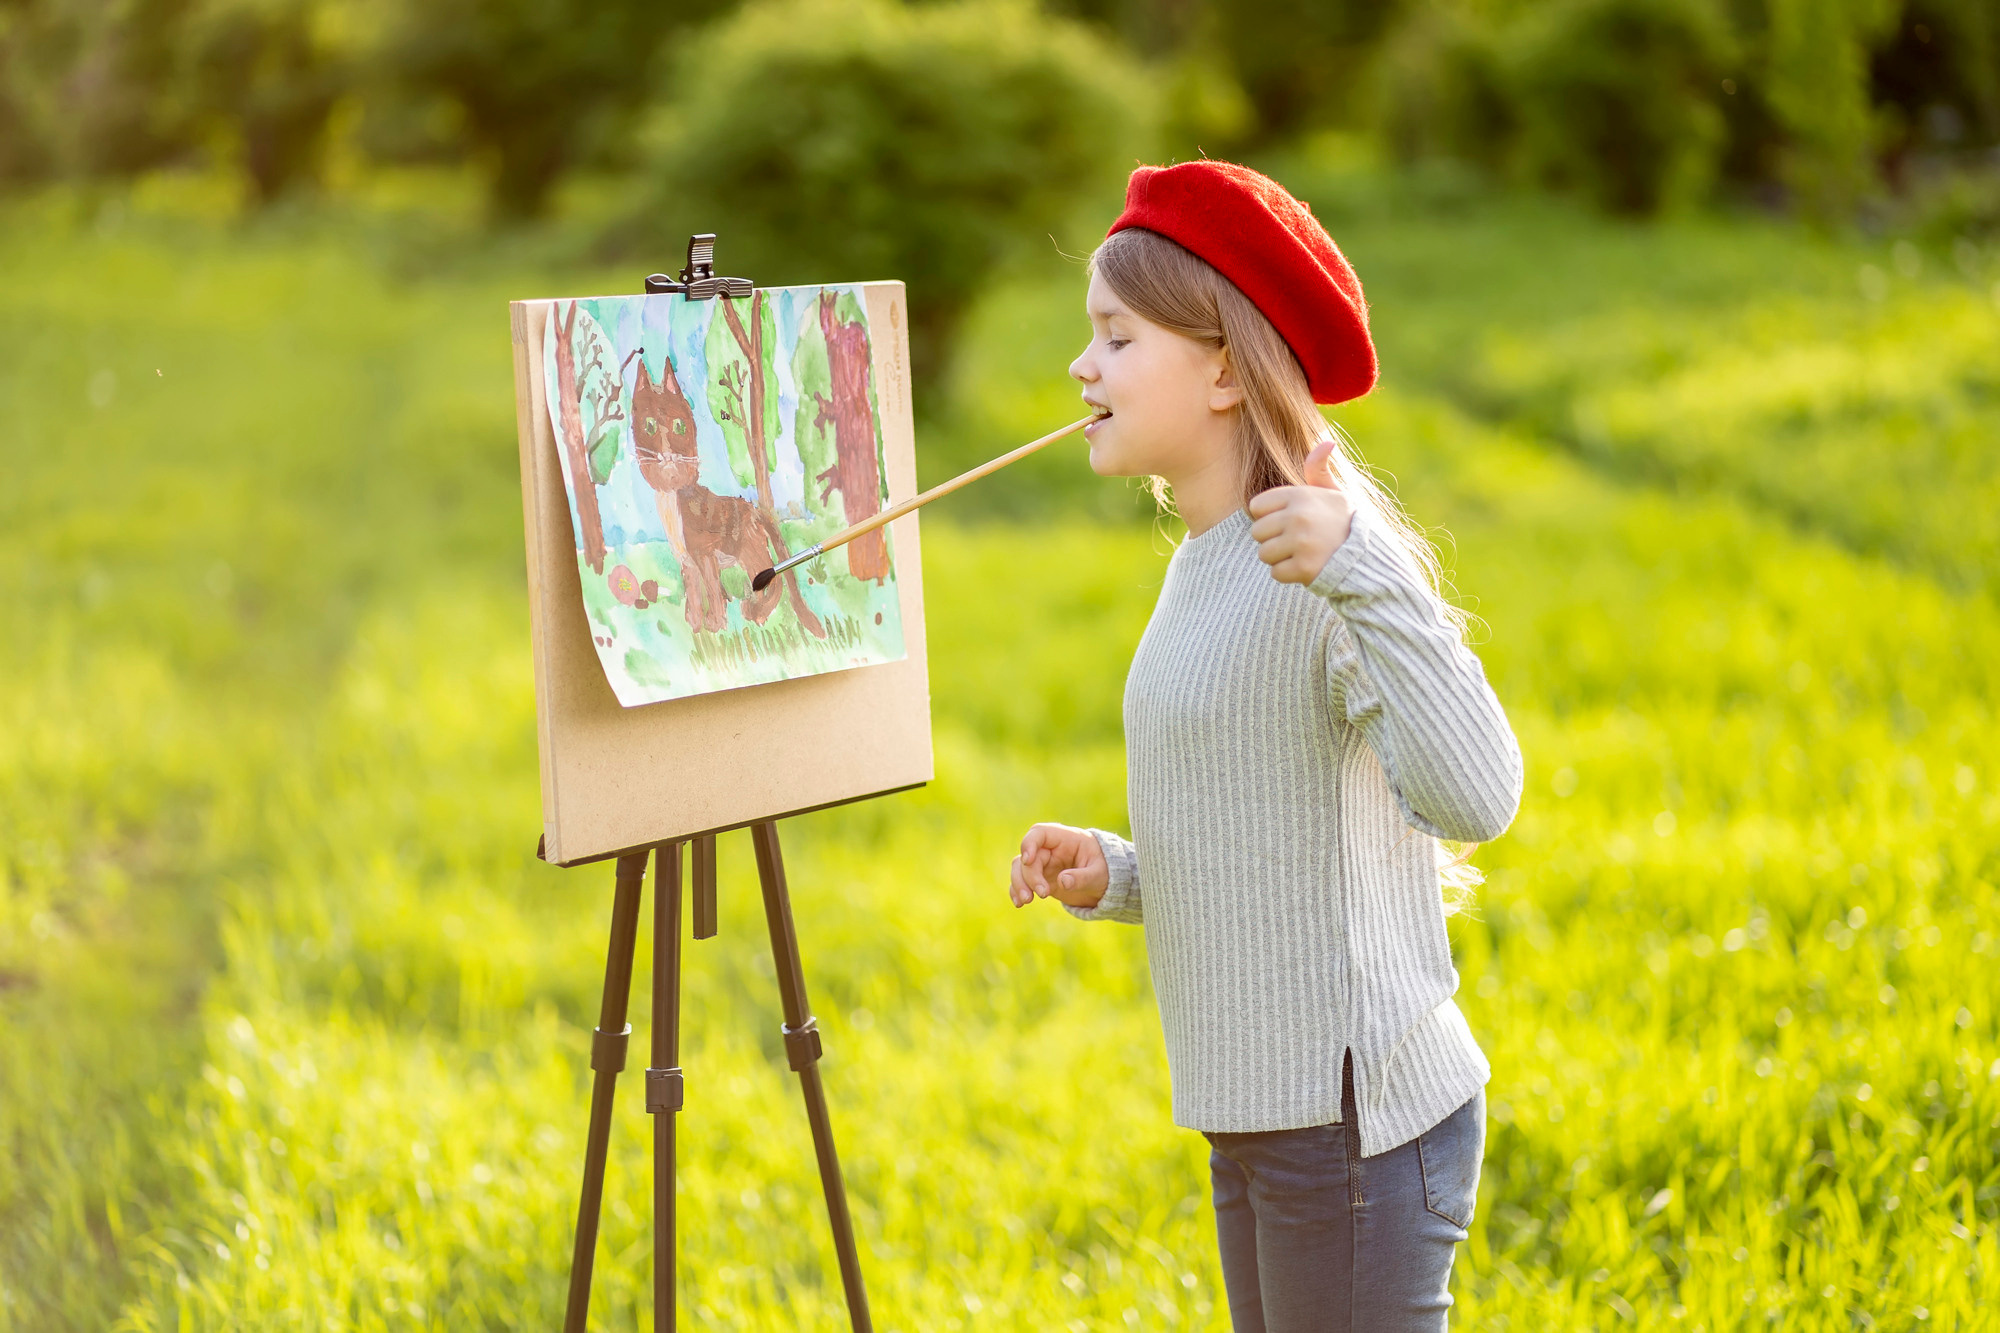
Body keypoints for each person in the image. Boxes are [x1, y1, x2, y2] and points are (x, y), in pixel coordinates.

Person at [1006, 160, 1524, 1332]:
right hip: (1258, 1110)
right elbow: (1269, 830)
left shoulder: (1316, 556)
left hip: (1352, 1126)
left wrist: (1363, 571)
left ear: (1227, 368)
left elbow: (1479, 792)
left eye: (1115, 335)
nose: (1081, 366)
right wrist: (1118, 871)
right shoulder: (1207, 556)